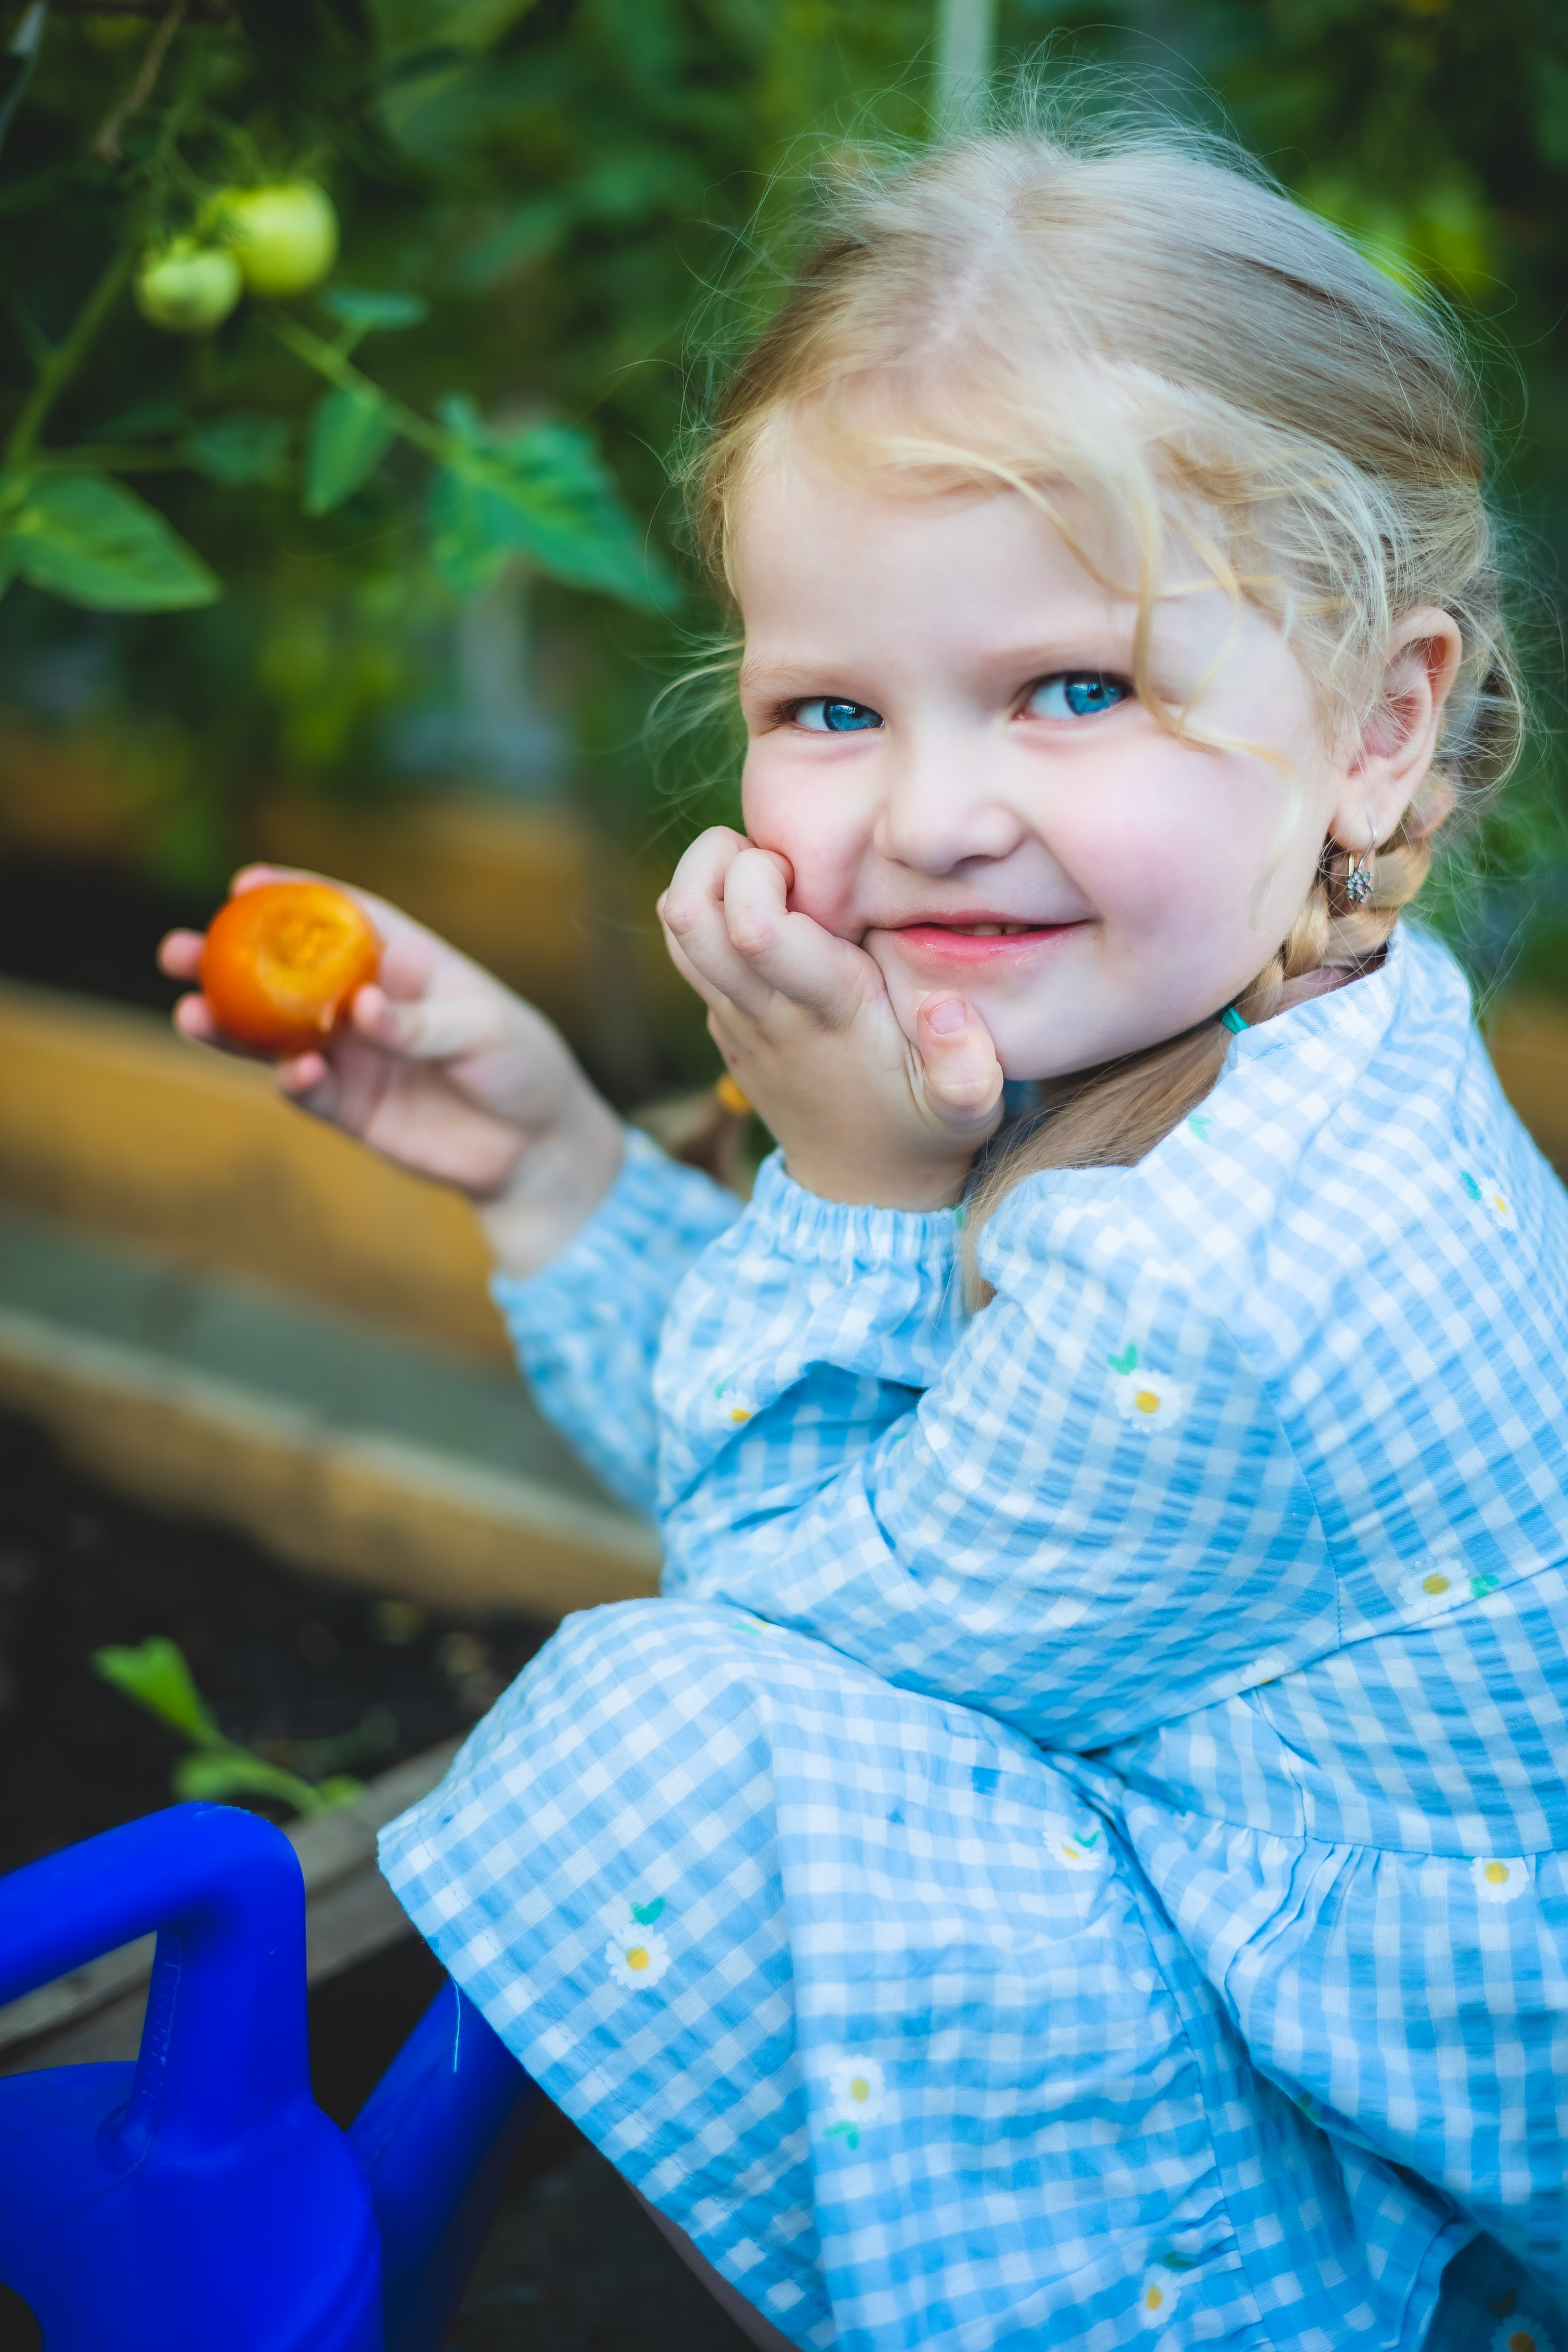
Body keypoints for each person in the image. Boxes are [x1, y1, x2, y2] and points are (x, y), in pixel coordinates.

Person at [162, 119, 1568, 2352]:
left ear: (1382, 724)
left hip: (1398, 2232)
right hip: (1271, 1974)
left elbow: (783, 1600)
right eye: (833, 709)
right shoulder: (1294, 1010)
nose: (926, 817)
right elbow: (893, 1506)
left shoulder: (1223, 1283)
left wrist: (843, 1188)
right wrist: (556, 1165)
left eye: (1072, 689)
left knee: (665, 1724)